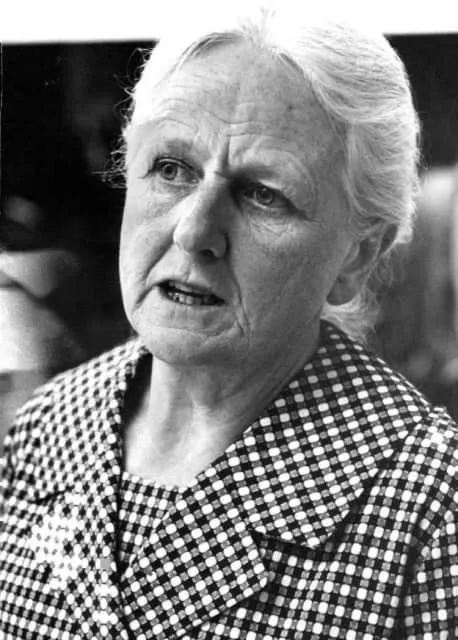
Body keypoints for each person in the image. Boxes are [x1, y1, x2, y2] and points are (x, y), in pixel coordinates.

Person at [1, 5, 457, 639]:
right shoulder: (46, 426)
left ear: (357, 256)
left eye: (264, 194)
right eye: (171, 169)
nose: (194, 232)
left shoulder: (429, 507)